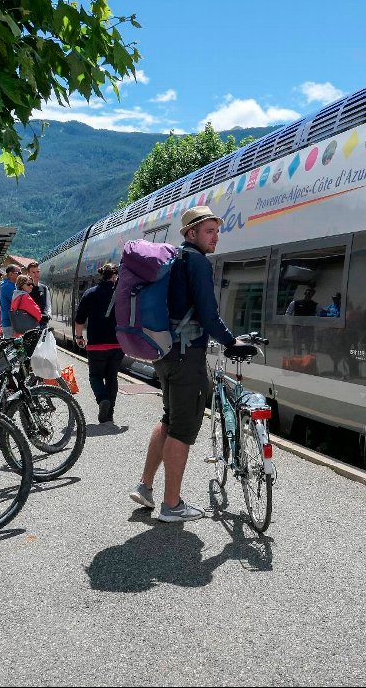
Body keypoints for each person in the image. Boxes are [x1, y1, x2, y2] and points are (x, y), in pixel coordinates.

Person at [130, 206, 238, 523]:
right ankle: (172, 505)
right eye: (209, 231)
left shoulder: (173, 259)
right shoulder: (198, 263)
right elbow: (209, 315)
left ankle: (146, 487)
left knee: (168, 419)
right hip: (186, 355)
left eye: (217, 231)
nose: (215, 236)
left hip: (164, 353)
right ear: (191, 233)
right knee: (183, 429)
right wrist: (233, 342)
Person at [73, 263, 123, 423]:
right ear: (115, 276)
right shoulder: (121, 293)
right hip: (117, 344)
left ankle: (102, 400)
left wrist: (78, 337)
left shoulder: (90, 293)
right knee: (112, 377)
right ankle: (110, 414)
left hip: (96, 345)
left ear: (102, 275)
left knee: (95, 376)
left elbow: (79, 319)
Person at [285, 286, 317, 355]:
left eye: (311, 293)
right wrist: (291, 323)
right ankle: (297, 359)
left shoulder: (315, 305)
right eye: (307, 292)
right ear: (304, 293)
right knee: (297, 345)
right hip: (297, 328)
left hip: (308, 328)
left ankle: (307, 361)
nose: (309, 294)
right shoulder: (295, 303)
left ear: (313, 294)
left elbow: (319, 315)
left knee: (308, 346)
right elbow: (288, 314)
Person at [0, 263, 22, 338]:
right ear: (11, 274)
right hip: (10, 323)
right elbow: (19, 302)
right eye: (19, 273)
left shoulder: (10, 285)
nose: (20, 275)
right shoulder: (8, 286)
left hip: (11, 322)